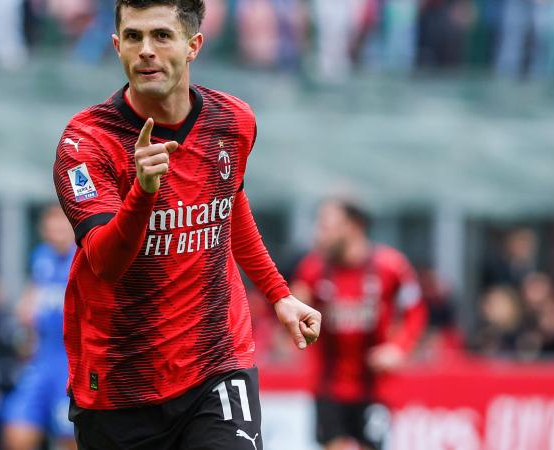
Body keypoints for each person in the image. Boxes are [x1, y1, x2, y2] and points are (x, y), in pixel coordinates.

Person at [51, 1, 322, 449]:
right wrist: (143, 192)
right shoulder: (86, 141)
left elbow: (229, 207)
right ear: (117, 46)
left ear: (193, 45)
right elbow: (104, 261)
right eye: (134, 37)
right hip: (121, 384)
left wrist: (279, 294)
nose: (146, 51)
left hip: (216, 362)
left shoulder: (233, 121)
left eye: (162, 35)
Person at [292, 199, 427, 450]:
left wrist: (400, 348)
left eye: (326, 226)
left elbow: (415, 310)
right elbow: (294, 315)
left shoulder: (391, 267)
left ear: (353, 227)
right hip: (328, 387)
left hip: (374, 388)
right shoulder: (311, 270)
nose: (318, 233)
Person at [2, 206, 76, 450]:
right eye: (50, 226)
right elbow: (28, 304)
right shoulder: (41, 257)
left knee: (71, 437)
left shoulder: (83, 256)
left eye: (61, 225)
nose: (55, 232)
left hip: (71, 363)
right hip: (41, 360)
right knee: (17, 430)